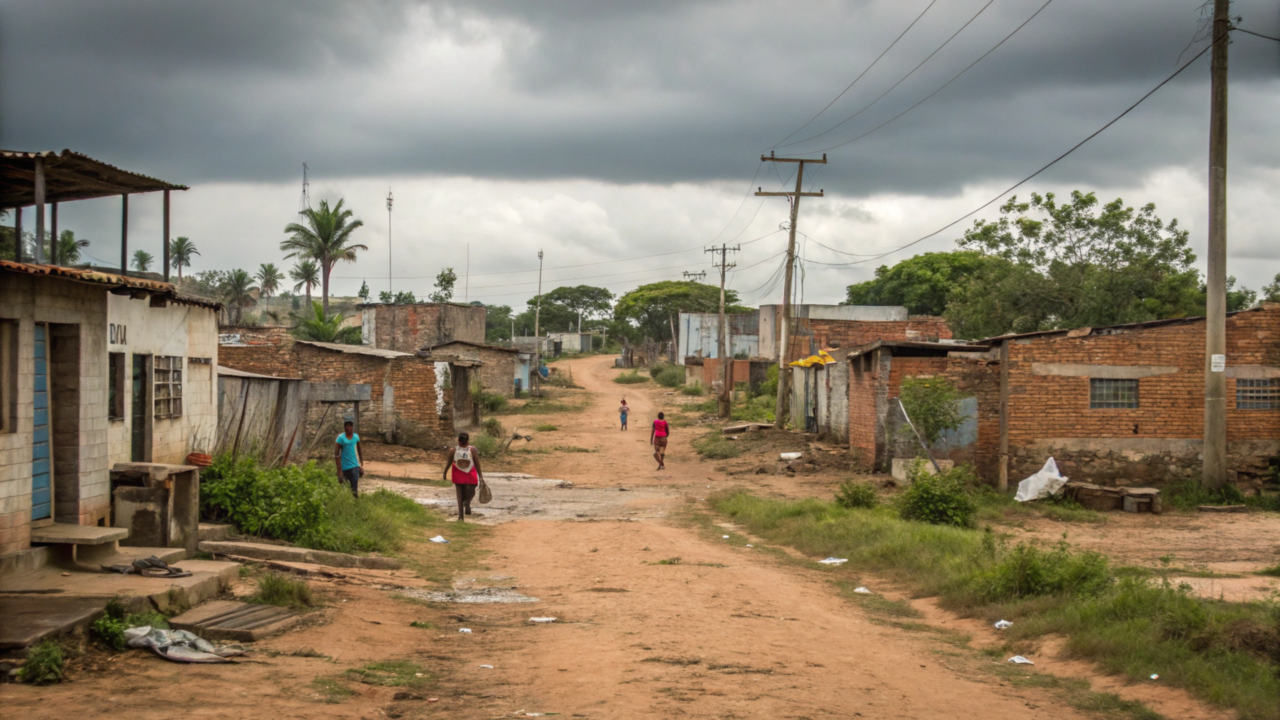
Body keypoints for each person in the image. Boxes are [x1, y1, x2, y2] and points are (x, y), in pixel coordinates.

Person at [442, 432, 483, 521]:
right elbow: (477, 464)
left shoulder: (453, 450)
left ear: (458, 441)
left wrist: (445, 473)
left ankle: (461, 517)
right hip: (470, 473)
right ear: (467, 441)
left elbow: (449, 463)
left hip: (457, 473)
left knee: (459, 495)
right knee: (472, 488)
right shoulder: (473, 450)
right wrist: (481, 477)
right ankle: (467, 501)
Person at [334, 419, 363, 497]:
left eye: (350, 426)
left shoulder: (356, 437)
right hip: (344, 466)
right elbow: (336, 455)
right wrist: (339, 472)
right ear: (344, 427)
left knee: (354, 489)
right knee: (344, 489)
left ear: (352, 427)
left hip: (354, 466)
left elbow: (359, 451)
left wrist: (361, 465)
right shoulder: (340, 438)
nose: (348, 428)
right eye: (346, 426)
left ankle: (356, 505)